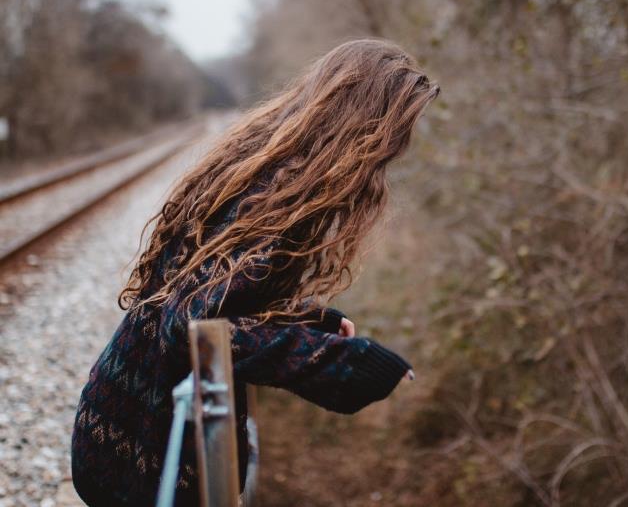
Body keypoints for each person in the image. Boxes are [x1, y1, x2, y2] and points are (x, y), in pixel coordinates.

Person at [71, 38, 440, 506]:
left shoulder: (268, 174)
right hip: (145, 450)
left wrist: (309, 323)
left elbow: (217, 300)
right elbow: (191, 327)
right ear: (364, 125)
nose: (396, 148)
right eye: (395, 133)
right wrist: (339, 363)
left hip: (130, 418)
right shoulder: (270, 198)